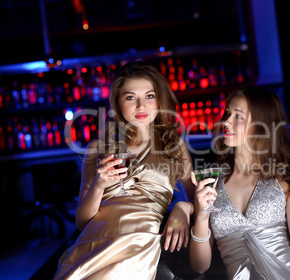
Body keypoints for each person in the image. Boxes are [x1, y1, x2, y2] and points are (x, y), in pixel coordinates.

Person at [54, 61, 194, 280]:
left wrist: (183, 207)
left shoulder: (175, 146)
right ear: (118, 104)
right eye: (130, 97)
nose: (141, 106)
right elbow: (82, 221)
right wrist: (99, 185)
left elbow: (201, 200)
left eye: (149, 96)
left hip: (140, 242)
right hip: (97, 242)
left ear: (160, 99)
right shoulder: (98, 148)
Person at [189, 87, 290, 279]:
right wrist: (202, 217)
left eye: (238, 116)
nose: (226, 121)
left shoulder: (285, 177)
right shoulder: (211, 181)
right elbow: (200, 265)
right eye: (228, 113)